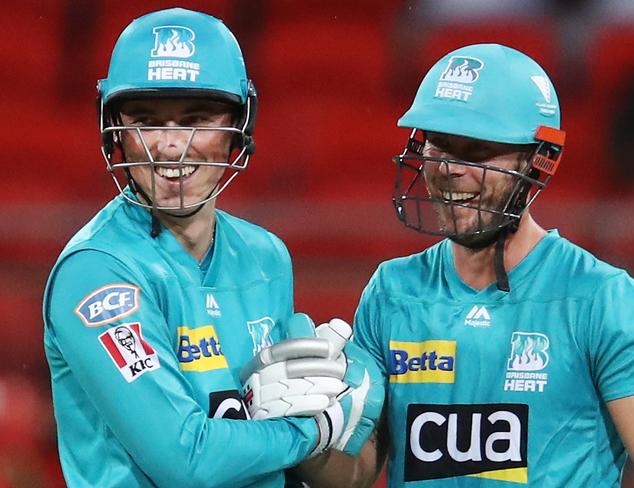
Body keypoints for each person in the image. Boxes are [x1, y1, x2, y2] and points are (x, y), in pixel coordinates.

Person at [42, 8, 383, 487]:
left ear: (238, 125)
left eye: (195, 120)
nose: (169, 147)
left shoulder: (267, 256)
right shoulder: (96, 272)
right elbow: (187, 462)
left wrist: (353, 405)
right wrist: (315, 429)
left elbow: (316, 470)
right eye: (145, 121)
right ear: (114, 127)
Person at [282, 43, 634, 487]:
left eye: (476, 151)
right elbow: (356, 475)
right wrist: (303, 432)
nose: (450, 169)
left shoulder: (603, 299)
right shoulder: (391, 291)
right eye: (439, 145)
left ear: (539, 160)